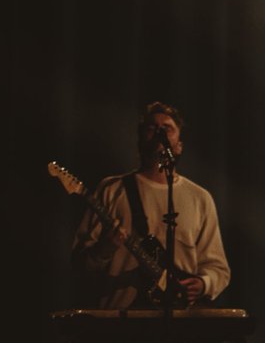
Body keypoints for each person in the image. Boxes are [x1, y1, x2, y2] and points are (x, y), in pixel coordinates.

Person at [71, 101, 231, 309]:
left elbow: (218, 268)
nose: (159, 132)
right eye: (152, 127)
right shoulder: (112, 189)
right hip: (121, 320)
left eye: (167, 128)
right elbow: (79, 262)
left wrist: (203, 283)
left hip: (179, 322)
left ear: (179, 144)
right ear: (140, 139)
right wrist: (106, 248)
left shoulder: (200, 198)